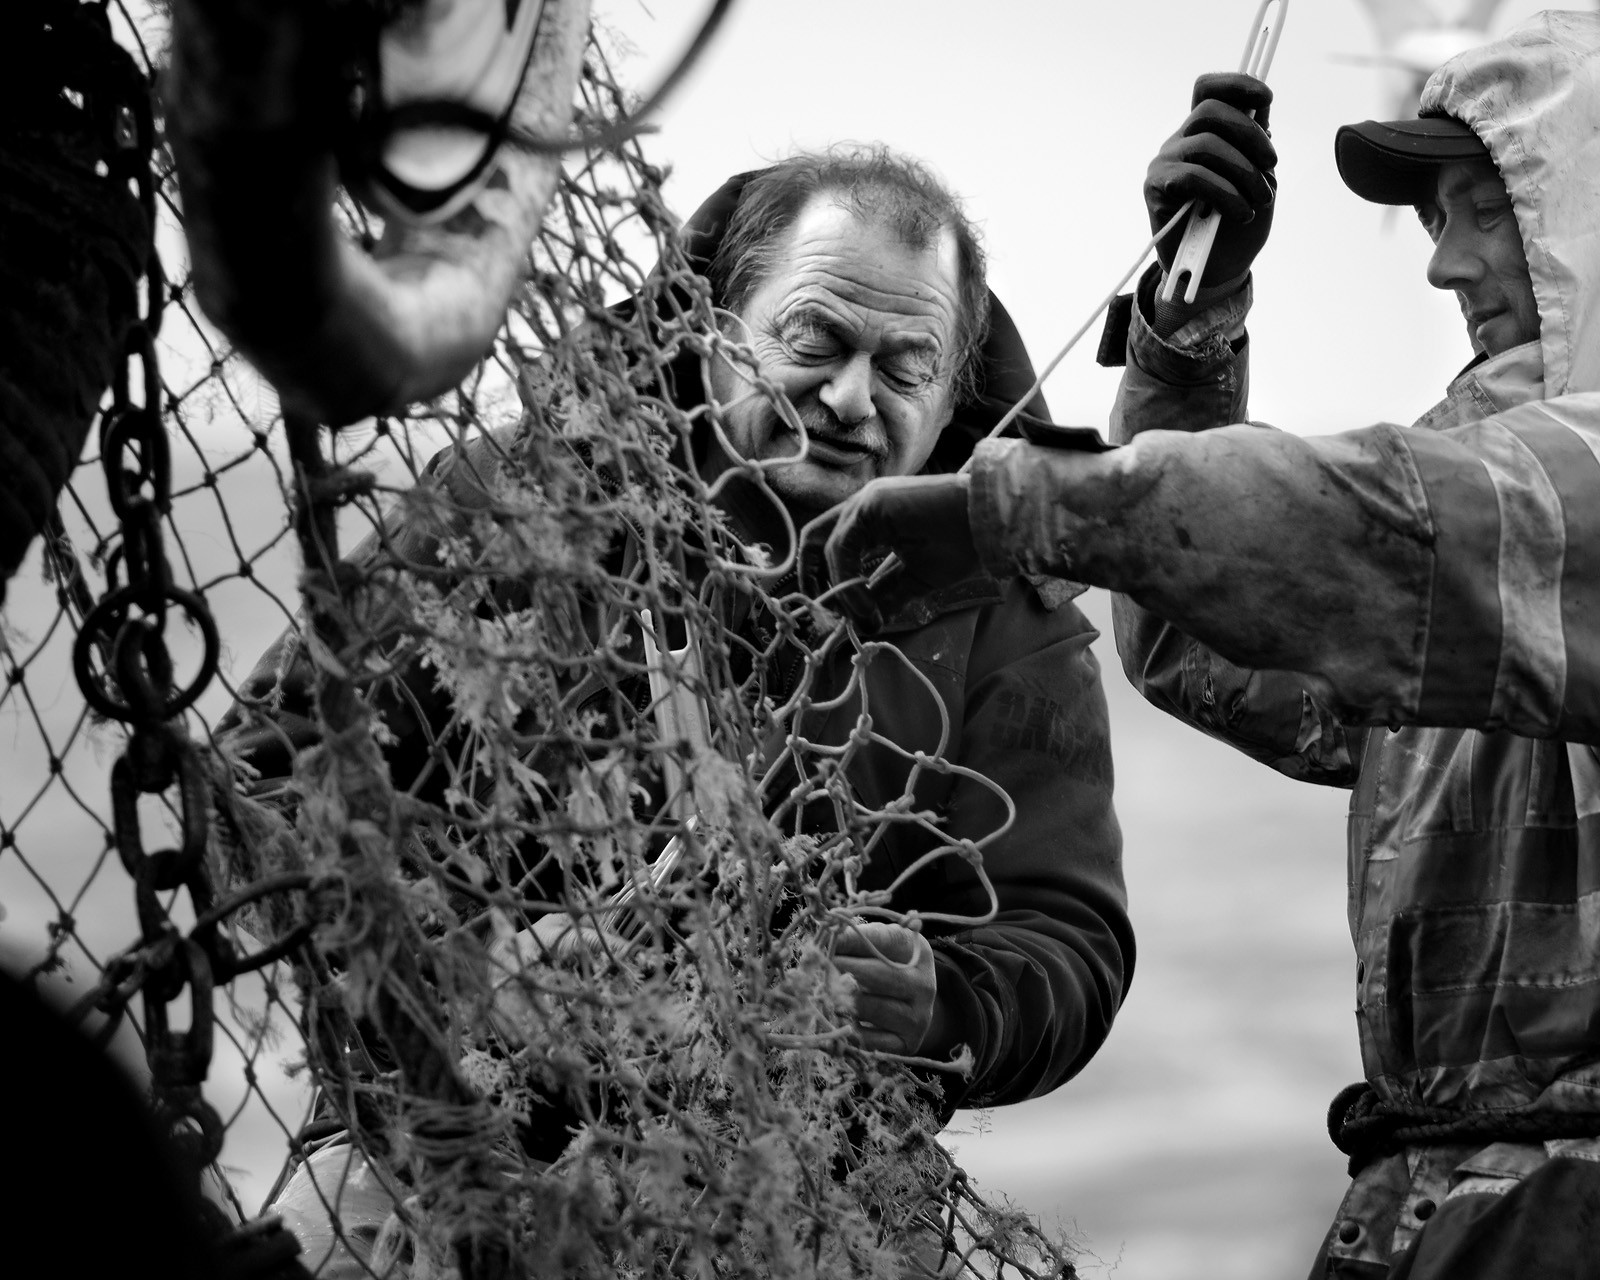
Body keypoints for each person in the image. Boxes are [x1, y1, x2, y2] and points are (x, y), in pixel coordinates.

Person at [219, 147, 1131, 1273]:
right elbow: (263, 773)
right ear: (711, 327)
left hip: (806, 1196)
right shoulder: (514, 499)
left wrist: (945, 1004)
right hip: (436, 1151)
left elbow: (1068, 934)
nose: (851, 399)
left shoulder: (1004, 606)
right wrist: (475, 971)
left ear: (954, 398)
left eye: (906, 365)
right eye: (814, 340)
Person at [815, 12, 1600, 1279]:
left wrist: (1023, 504)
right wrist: (1188, 319)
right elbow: (1206, 637)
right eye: (1434, 219)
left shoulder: (1521, 518)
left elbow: (1381, 533)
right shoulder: (1453, 568)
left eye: (1487, 210)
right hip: (1444, 1218)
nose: (1442, 268)